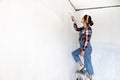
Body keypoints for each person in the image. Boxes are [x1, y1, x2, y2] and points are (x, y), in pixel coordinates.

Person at [71, 15, 94, 80]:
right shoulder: (83, 28)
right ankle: (81, 63)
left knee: (87, 62)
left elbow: (87, 41)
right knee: (74, 53)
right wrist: (74, 22)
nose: (81, 18)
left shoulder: (88, 29)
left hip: (86, 48)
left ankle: (90, 77)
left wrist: (83, 50)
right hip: (82, 47)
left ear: (85, 20)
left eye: (82, 18)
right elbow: (76, 29)